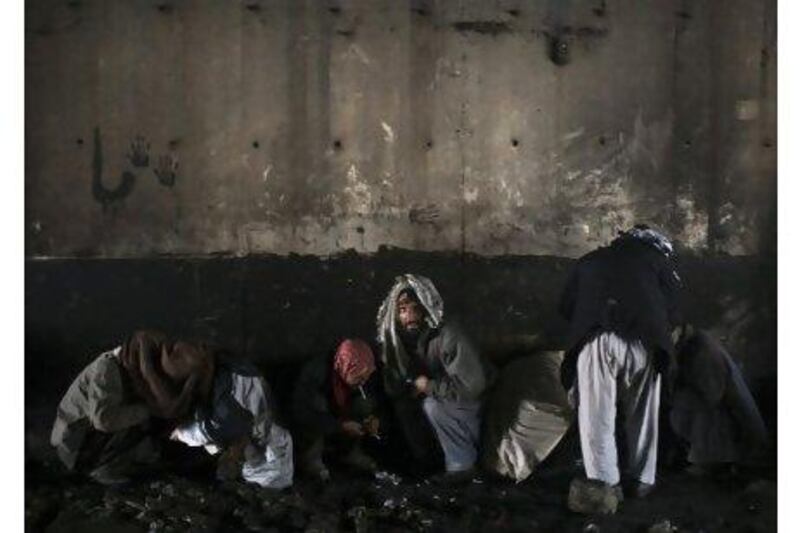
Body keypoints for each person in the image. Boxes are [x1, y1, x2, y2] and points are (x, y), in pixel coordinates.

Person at [558, 225, 682, 507]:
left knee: (596, 414)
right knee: (642, 413)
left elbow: (566, 307)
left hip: (597, 339)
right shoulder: (658, 261)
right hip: (644, 341)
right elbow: (674, 309)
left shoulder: (590, 260)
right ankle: (642, 480)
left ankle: (605, 484)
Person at [51, 330, 213, 485]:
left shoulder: (135, 374)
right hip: (78, 446)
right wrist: (148, 411)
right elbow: (104, 420)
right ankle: (105, 469)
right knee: (146, 416)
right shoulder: (107, 369)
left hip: (96, 440)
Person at [377, 274, 494, 479]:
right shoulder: (401, 342)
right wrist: (409, 388)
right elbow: (395, 384)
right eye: (403, 310)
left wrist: (429, 386)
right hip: (444, 398)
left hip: (474, 403)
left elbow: (471, 387)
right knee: (405, 405)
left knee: (433, 406)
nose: (410, 316)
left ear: (426, 307)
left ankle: (462, 466)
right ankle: (429, 463)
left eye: (415, 308)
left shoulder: (449, 335)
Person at [169, 349, 294, 489]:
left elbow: (209, 434)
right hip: (239, 378)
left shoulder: (224, 441)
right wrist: (180, 434)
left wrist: (181, 434)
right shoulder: (265, 437)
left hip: (235, 391)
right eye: (237, 460)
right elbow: (211, 431)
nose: (232, 456)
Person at [669, 324, 769, 473]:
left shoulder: (702, 351)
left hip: (734, 425)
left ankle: (712, 459)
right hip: (726, 412)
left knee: (687, 406)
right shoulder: (696, 346)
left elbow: (713, 395)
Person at [291, 338, 381, 481]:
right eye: (359, 377)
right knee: (317, 403)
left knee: (365, 403)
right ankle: (311, 458)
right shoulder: (315, 372)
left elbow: (368, 398)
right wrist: (339, 425)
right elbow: (301, 412)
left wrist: (371, 419)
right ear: (346, 367)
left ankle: (349, 451)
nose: (363, 382)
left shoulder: (361, 374)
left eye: (365, 377)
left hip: (339, 416)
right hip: (317, 418)